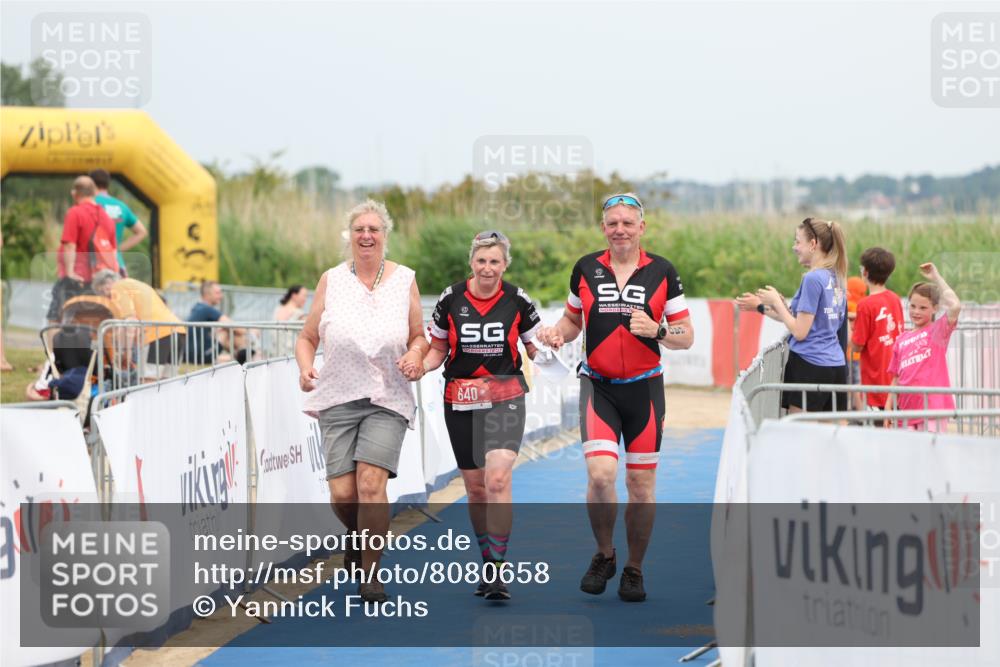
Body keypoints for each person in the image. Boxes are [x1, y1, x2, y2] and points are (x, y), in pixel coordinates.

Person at [536, 193, 694, 603]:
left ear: (642, 227)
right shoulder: (586, 268)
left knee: (640, 485)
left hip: (644, 389)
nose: (620, 229)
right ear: (603, 228)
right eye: (612, 223)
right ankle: (604, 554)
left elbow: (686, 336)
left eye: (627, 222)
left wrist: (656, 331)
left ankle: (634, 569)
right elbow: (572, 319)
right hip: (598, 386)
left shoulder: (662, 271)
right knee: (602, 476)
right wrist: (558, 333)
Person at [296, 199, 427, 603]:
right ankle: (356, 534)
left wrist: (416, 355)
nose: (366, 236)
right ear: (350, 237)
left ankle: (371, 571)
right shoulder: (331, 280)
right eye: (359, 230)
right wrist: (304, 368)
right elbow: (307, 337)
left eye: (374, 229)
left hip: (388, 395)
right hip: (337, 394)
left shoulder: (405, 279)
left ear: (385, 236)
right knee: (343, 494)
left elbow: (419, 335)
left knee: (371, 484)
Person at [416, 230, 542, 601]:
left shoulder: (518, 299)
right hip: (461, 398)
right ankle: (487, 561)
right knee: (476, 488)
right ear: (472, 262)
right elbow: (437, 348)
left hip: (505, 397)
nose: (488, 268)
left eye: (495, 262)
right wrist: (419, 366)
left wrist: (551, 350)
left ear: (505, 265)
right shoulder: (451, 298)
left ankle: (499, 571)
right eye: (482, 261)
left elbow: (534, 347)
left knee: (499, 478)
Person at [737, 217, 849, 413]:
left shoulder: (813, 278)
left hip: (810, 364)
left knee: (797, 432)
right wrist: (764, 307)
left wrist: (776, 303)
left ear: (813, 244)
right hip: (836, 365)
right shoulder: (836, 276)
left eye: (798, 241)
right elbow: (805, 320)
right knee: (832, 433)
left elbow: (799, 331)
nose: (794, 247)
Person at [887, 263, 962, 432]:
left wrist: (936, 277)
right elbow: (896, 378)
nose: (916, 312)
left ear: (935, 308)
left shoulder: (937, 331)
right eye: (912, 306)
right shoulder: (901, 339)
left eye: (923, 307)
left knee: (932, 456)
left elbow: (955, 305)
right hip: (906, 411)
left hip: (932, 411)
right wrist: (888, 407)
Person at [47, 176, 117, 325]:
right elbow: (112, 252)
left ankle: (53, 349)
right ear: (94, 193)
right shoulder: (107, 218)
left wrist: (70, 272)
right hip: (97, 281)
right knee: (89, 321)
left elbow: (70, 245)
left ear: (74, 194)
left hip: (76, 279)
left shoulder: (75, 212)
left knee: (56, 318)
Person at [91, 270, 187, 378]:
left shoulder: (118, 288)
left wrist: (127, 353)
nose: (108, 299)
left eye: (104, 293)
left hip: (156, 334)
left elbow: (130, 322)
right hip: (178, 330)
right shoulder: (138, 285)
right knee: (169, 381)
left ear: (107, 284)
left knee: (148, 380)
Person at [851, 248, 904, 417]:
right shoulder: (895, 299)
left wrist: (853, 330)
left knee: (875, 430)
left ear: (865, 272)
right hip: (895, 380)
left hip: (875, 382)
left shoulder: (865, 305)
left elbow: (857, 346)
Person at [90, 169, 148, 277]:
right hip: (118, 265)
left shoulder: (91, 204)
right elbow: (142, 232)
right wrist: (118, 248)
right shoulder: (121, 206)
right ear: (107, 184)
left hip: (95, 267)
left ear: (91, 184)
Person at [186, 281, 247, 364]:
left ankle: (242, 354)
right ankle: (245, 354)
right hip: (199, 356)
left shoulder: (197, 307)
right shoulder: (207, 309)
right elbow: (237, 328)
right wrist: (251, 331)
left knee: (223, 329)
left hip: (191, 354)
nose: (221, 296)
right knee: (225, 330)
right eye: (217, 293)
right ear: (207, 295)